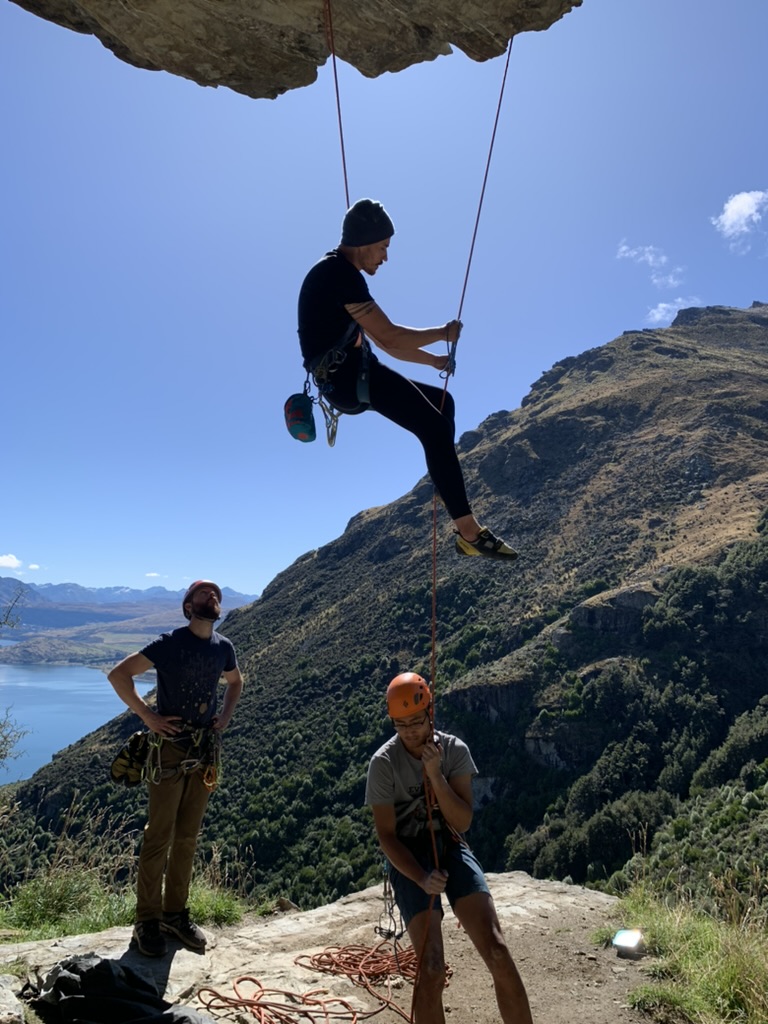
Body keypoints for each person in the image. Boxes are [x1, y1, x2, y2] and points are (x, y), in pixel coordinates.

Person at [297, 198, 517, 561]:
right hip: (347, 379)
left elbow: (387, 343)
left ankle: (444, 477)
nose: (384, 257)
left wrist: (432, 361)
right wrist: (443, 332)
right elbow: (391, 337)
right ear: (364, 242)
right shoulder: (339, 275)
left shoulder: (337, 274)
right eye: (383, 247)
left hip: (355, 374)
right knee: (432, 425)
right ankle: (469, 533)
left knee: (443, 405)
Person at [366, 672, 534, 1024]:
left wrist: (435, 775)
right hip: (411, 857)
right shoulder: (383, 764)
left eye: (416, 721)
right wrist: (422, 876)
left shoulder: (453, 750)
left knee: (498, 951)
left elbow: (461, 822)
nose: (411, 731)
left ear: (430, 713)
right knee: (431, 967)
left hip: (450, 844)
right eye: (401, 724)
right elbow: (387, 837)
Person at [108, 579, 244, 958]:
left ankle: (174, 915)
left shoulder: (224, 648)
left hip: (202, 752)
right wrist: (149, 717)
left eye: (215, 594)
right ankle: (147, 921)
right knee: (159, 836)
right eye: (203, 593)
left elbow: (236, 683)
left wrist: (226, 716)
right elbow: (120, 674)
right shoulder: (169, 644)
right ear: (188, 606)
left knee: (186, 837)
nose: (212, 597)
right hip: (169, 751)